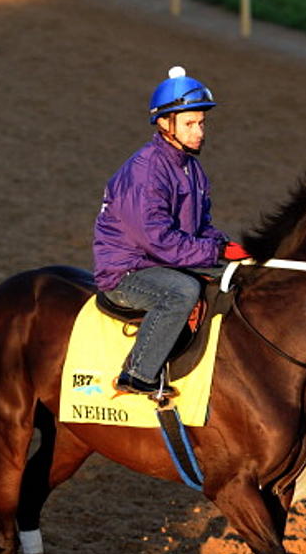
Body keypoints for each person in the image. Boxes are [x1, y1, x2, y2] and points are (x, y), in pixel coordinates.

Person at [93, 66, 249, 399]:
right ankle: (137, 373)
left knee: (240, 277)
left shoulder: (192, 168)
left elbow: (200, 227)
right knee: (181, 291)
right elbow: (158, 240)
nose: (199, 132)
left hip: (163, 263)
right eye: (190, 124)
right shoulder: (146, 171)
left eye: (202, 123)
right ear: (165, 124)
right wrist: (215, 252)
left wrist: (226, 247)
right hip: (126, 273)